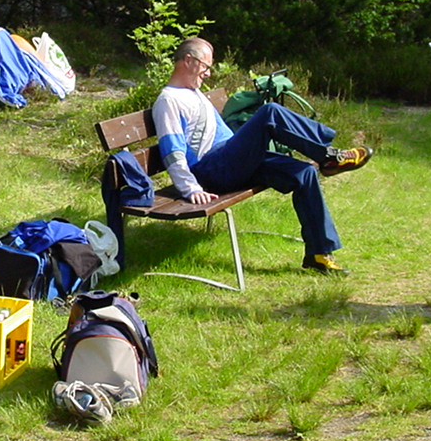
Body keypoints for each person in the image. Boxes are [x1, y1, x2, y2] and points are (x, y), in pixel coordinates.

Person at [152, 38, 373, 275]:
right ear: (188, 61)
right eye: (206, 66)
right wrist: (190, 188)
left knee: (304, 172)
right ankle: (330, 157)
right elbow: (172, 150)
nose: (207, 74)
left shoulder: (194, 93)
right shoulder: (168, 100)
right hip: (212, 171)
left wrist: (247, 145)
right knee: (270, 113)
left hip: (229, 161)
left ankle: (319, 255)